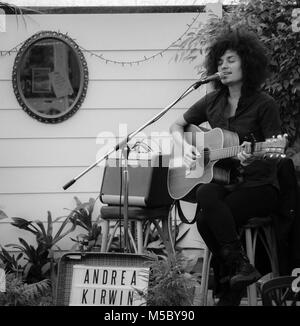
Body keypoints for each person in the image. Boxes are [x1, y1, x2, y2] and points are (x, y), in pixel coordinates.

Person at [169, 28, 283, 306]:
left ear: (247, 62)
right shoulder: (212, 101)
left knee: (209, 216)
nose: (223, 66)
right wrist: (188, 148)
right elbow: (176, 126)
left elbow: (275, 151)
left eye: (230, 60)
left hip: (260, 187)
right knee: (208, 198)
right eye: (220, 62)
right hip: (228, 184)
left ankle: (230, 288)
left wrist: (254, 156)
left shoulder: (264, 104)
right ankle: (241, 270)